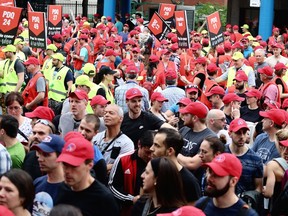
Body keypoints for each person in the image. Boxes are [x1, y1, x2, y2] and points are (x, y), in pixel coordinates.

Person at [55, 135, 119, 216]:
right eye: (65, 164)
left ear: (90, 165)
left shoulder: (104, 199)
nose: (67, 171)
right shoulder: (62, 188)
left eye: (74, 166)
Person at [150, 128, 201, 205]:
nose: (151, 148)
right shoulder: (151, 171)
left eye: (157, 145)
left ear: (170, 151)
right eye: (153, 144)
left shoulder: (189, 182)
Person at [108, 130, 154, 216]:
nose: (150, 156)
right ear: (139, 144)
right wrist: (131, 199)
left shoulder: (159, 161)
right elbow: (112, 186)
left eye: (152, 152)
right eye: (147, 152)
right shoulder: (123, 159)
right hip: (126, 211)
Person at [225, 118, 263, 194]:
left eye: (244, 132)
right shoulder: (221, 152)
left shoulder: (256, 159)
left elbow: (258, 188)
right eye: (238, 133)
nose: (242, 136)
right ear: (230, 134)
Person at [93, 104, 134, 174]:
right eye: (105, 113)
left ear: (121, 118)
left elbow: (121, 167)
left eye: (111, 113)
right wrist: (106, 168)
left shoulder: (126, 143)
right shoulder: (96, 137)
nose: (106, 115)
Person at [31, 134, 65, 215]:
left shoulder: (69, 189)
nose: (40, 159)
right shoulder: (37, 183)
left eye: (46, 155)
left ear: (60, 156)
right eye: (39, 154)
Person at [177, 102, 216, 171]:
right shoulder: (184, 130)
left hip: (194, 179)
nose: (183, 117)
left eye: (186, 115)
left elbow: (192, 164)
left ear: (194, 118)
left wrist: (173, 154)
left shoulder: (210, 138)